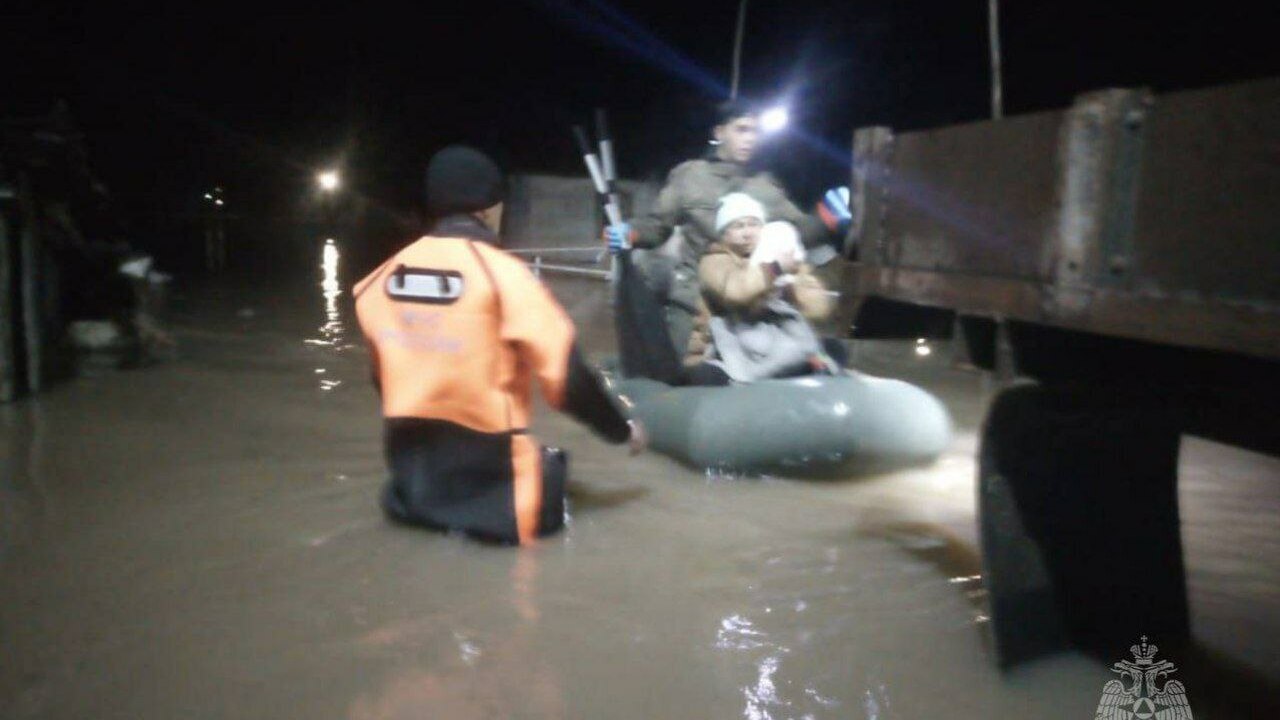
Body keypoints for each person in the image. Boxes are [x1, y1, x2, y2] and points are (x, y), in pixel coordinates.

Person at [353, 145, 646, 546]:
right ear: (490, 209)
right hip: (503, 512)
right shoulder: (506, 277)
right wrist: (622, 430)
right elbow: (569, 382)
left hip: (410, 496)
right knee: (559, 476)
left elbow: (383, 379)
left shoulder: (377, 282)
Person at [604, 100, 852, 373]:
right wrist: (632, 232)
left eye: (755, 132)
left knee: (750, 380)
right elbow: (657, 225)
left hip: (747, 306)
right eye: (741, 130)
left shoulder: (764, 186)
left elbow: (800, 230)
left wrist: (826, 218)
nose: (750, 139)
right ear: (720, 132)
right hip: (694, 306)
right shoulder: (690, 177)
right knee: (677, 376)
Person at [686, 192, 847, 386]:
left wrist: (796, 287)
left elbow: (817, 310)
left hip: (774, 344)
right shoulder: (714, 261)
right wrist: (774, 270)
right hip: (726, 348)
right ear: (725, 233)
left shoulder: (779, 256)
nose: (747, 232)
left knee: (830, 349)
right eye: (738, 226)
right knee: (709, 377)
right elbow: (735, 292)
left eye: (754, 224)